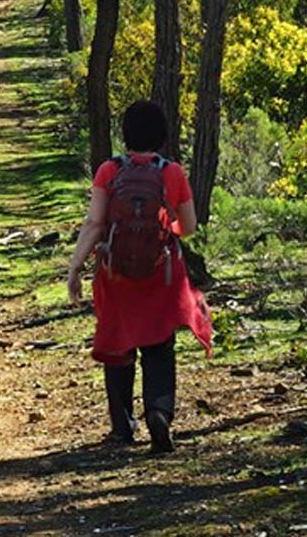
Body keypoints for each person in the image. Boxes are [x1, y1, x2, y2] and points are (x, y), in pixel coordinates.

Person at [66, 100, 212, 453]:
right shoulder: (172, 172)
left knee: (118, 344)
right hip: (160, 276)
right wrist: (162, 229)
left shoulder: (108, 171)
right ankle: (159, 411)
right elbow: (189, 227)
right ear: (161, 135)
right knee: (160, 347)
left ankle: (122, 427)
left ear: (126, 133)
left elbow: (96, 223)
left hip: (116, 276)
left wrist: (75, 268)